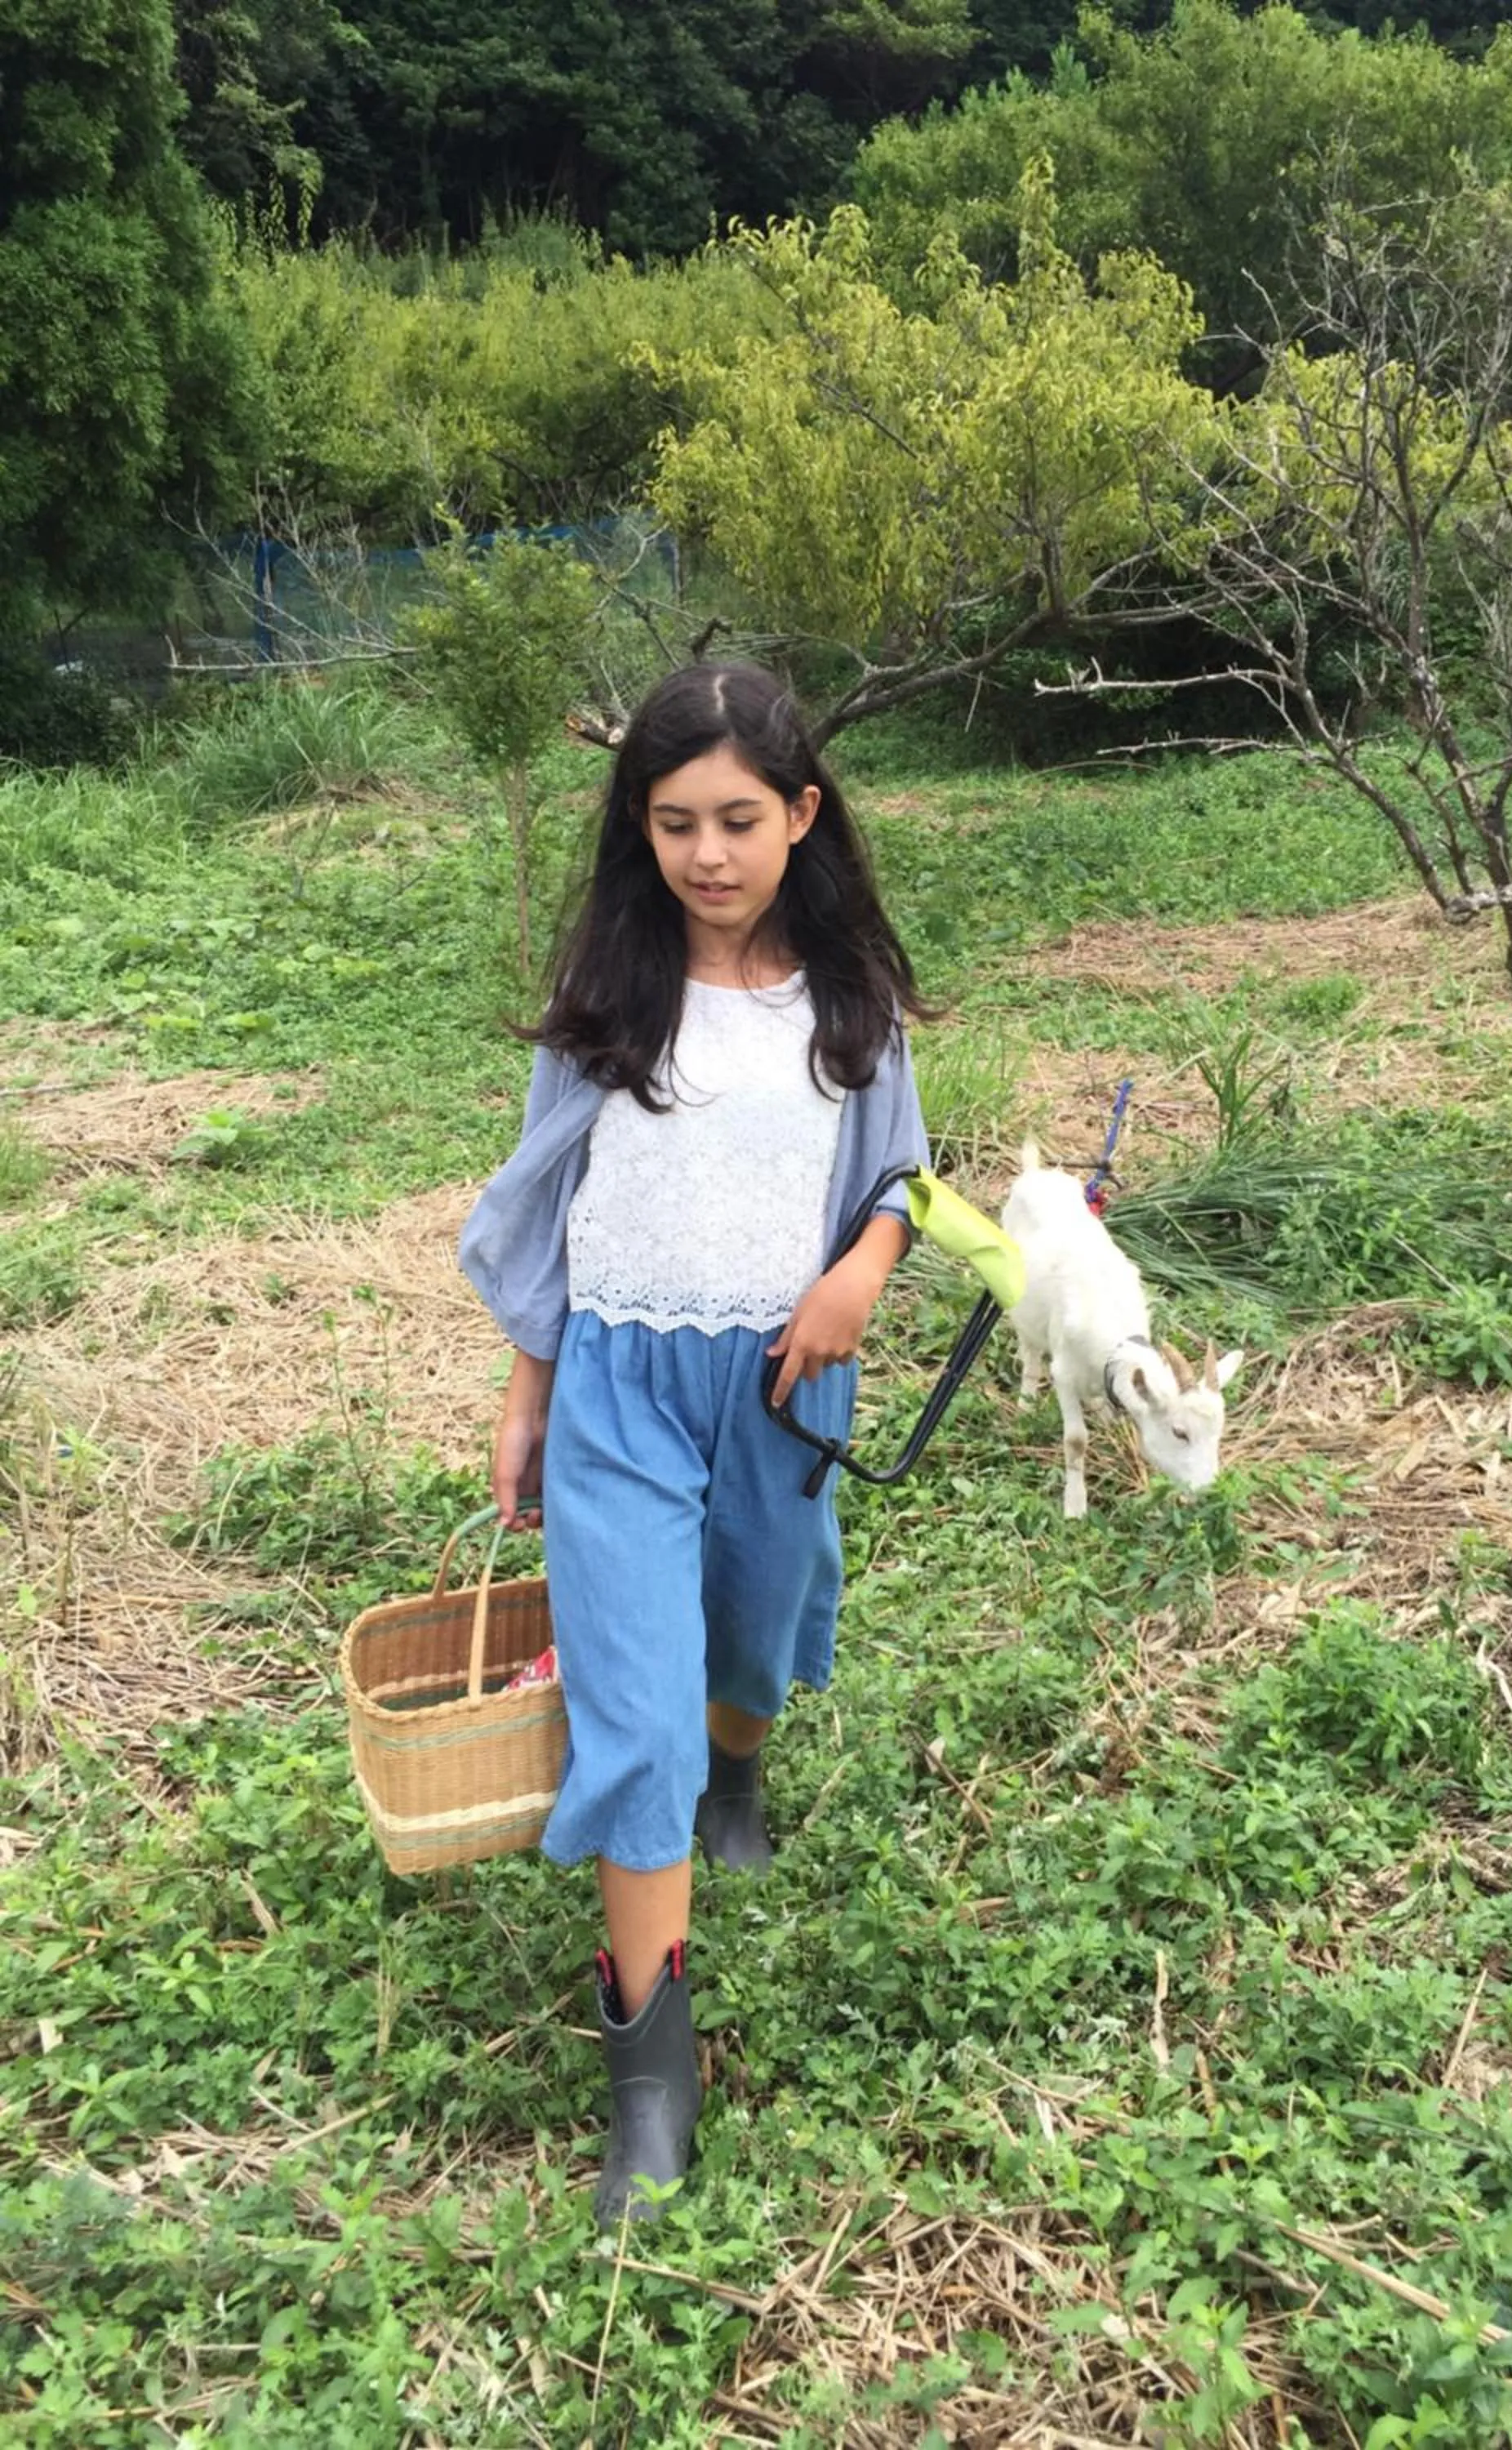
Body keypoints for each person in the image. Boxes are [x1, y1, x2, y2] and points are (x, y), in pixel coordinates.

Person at [460, 662, 929, 2225]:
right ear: (639, 827)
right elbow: (549, 1198)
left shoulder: (848, 997)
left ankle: (745, 1775)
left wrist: (860, 1273)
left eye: (739, 819)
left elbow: (899, 1179)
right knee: (635, 1711)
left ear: (802, 815)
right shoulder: (613, 988)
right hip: (616, 1386)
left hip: (783, 1387)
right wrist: (529, 1393)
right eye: (674, 824)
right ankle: (651, 2071)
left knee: (753, 1619)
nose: (708, 855)